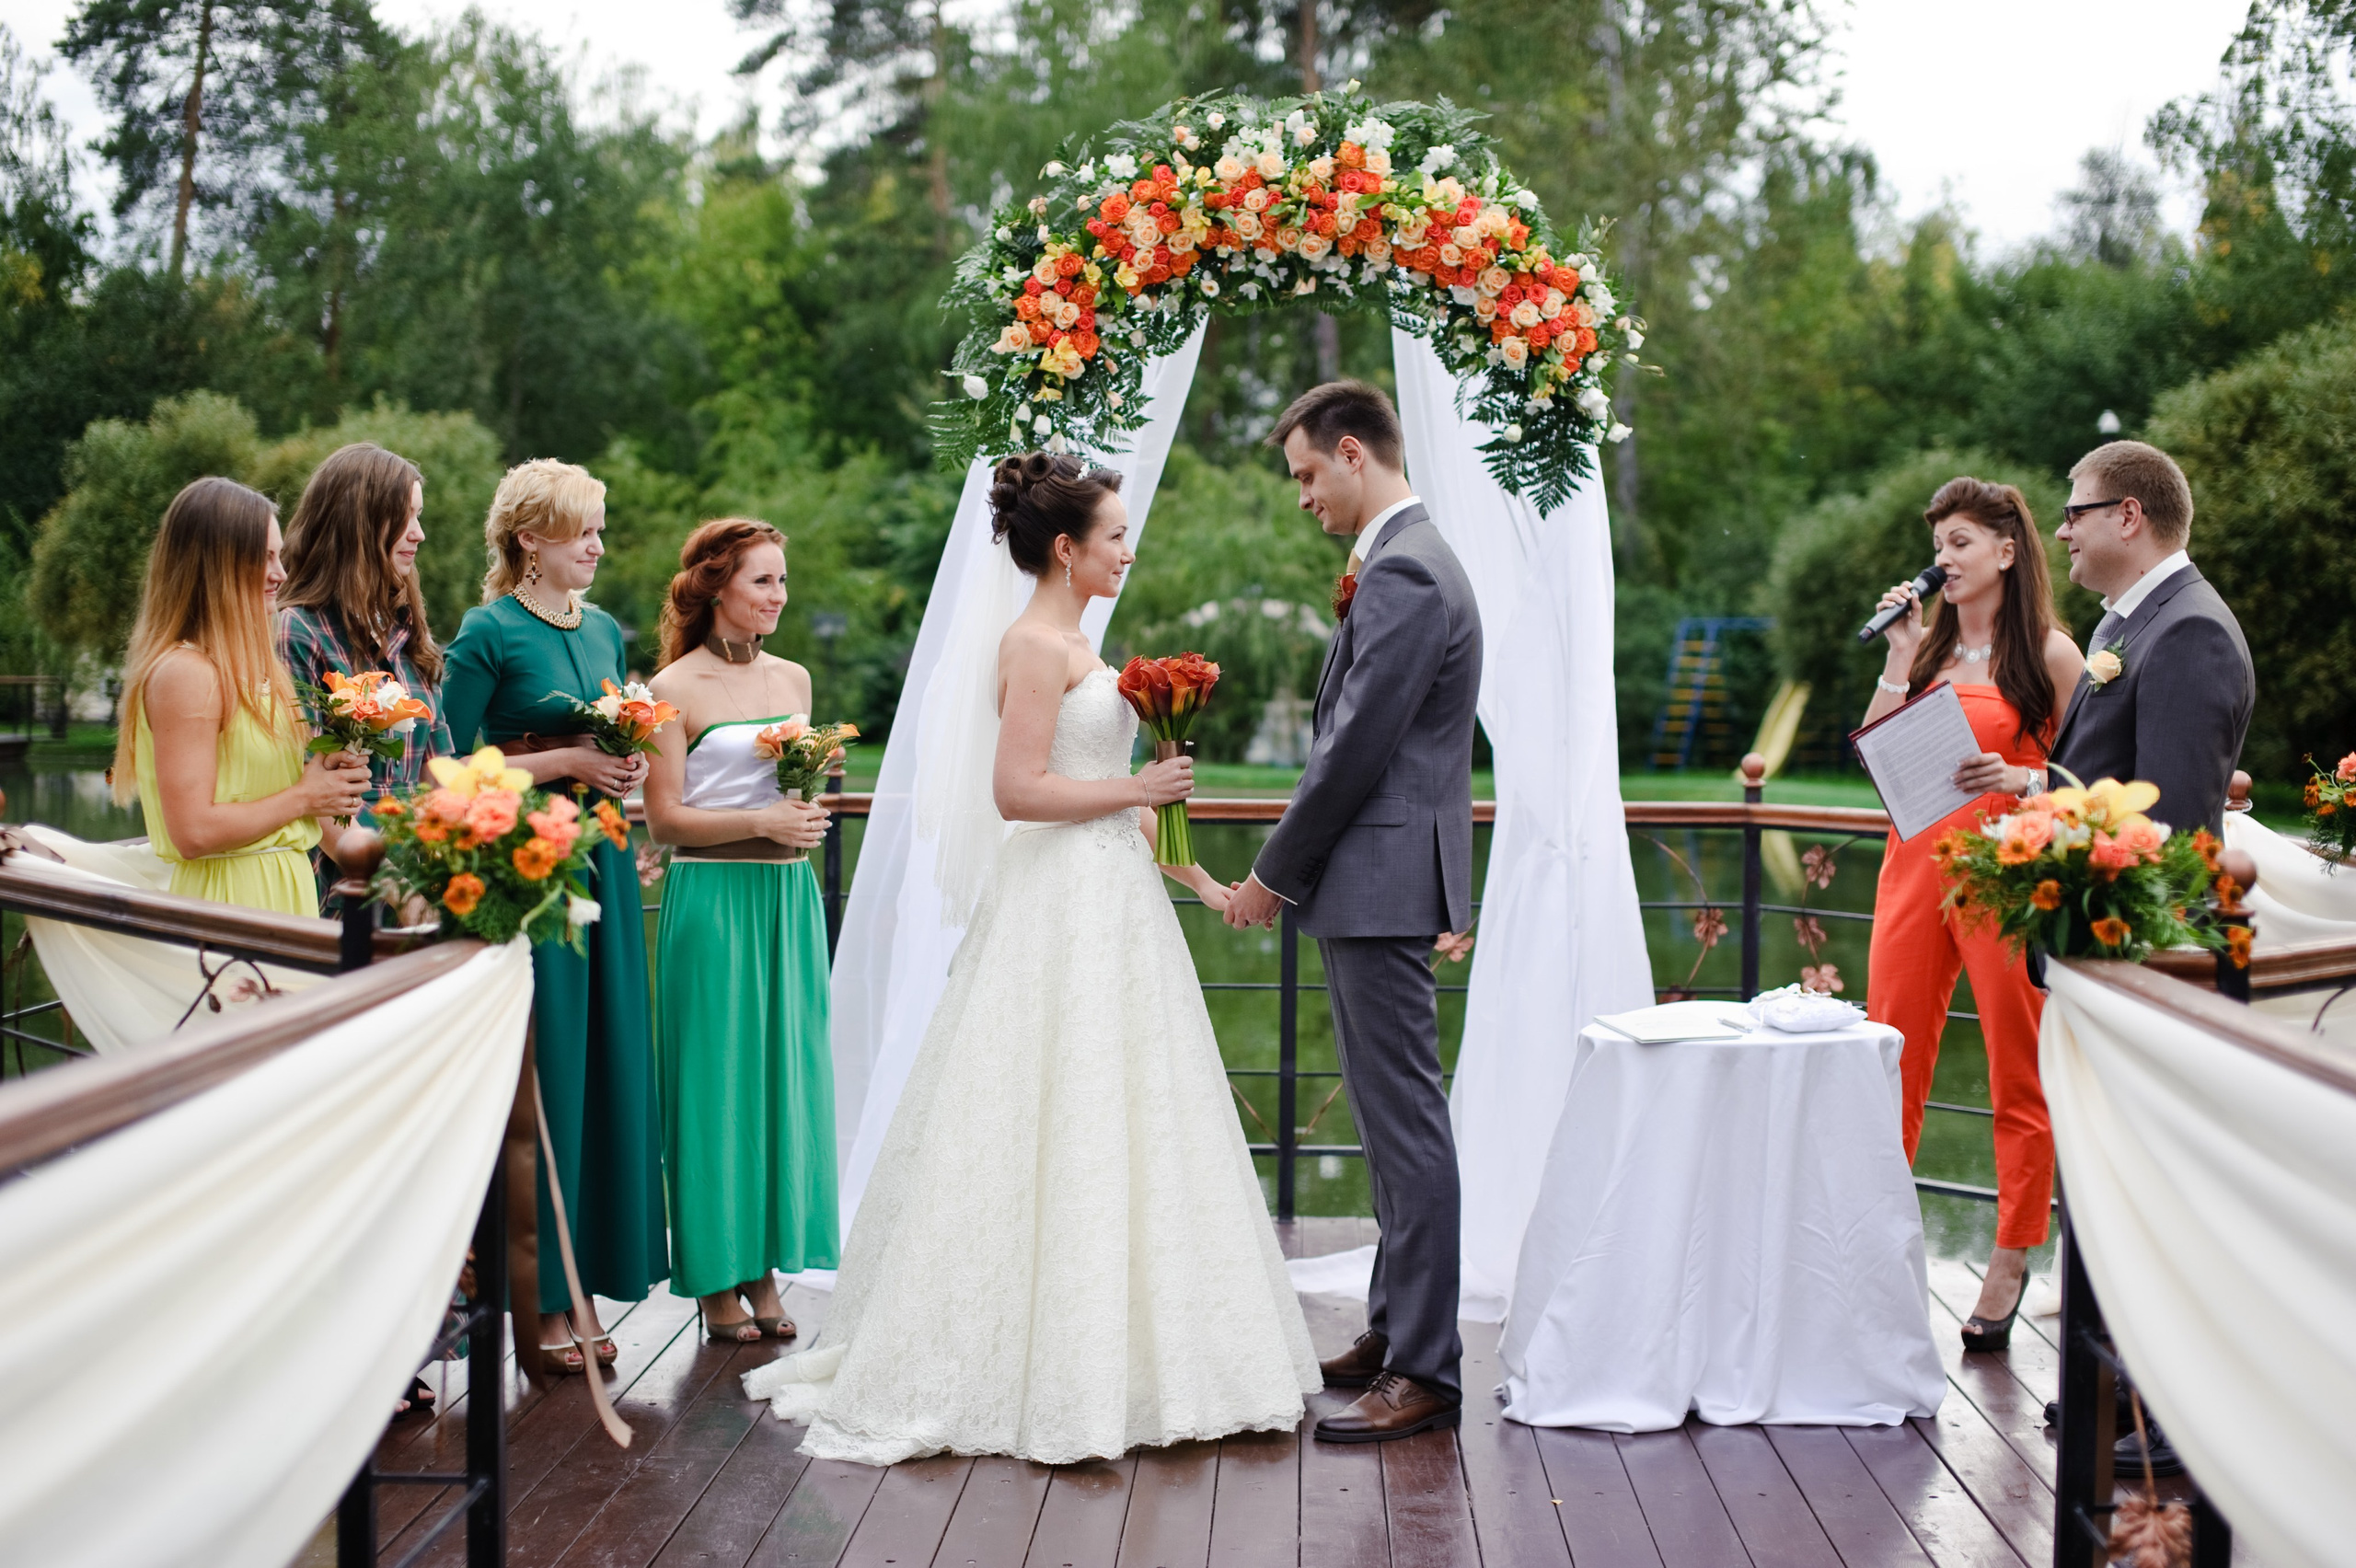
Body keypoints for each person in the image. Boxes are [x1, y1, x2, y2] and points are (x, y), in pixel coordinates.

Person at [741, 453, 1318, 1465]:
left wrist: (1204, 881)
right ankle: (1023, 1354)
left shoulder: (1083, 647)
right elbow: (1020, 792)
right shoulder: (1033, 647)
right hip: (1054, 901)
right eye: (1115, 537)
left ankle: (1143, 1350)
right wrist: (1141, 791)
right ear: (1066, 548)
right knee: (1043, 1110)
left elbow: (1106, 784)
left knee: (1127, 1114)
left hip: (1118, 902)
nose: (1128, 552)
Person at [1222, 381, 1484, 1444]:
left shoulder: (1409, 570)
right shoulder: (1406, 560)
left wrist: (1270, 876)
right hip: (1380, 882)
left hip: (1376, 884)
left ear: (1349, 453)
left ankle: (1426, 1366)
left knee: (1406, 1128)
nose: (1300, 498)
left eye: (1303, 475)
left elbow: (1353, 752)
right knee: (1386, 1128)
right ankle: (1393, 1328)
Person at [442, 458, 666, 1377]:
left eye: (600, 531)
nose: (598, 548)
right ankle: (532, 1299)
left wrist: (626, 768)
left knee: (606, 1069)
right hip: (523, 869)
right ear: (529, 538)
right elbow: (447, 765)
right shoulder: (484, 633)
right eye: (583, 532)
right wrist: (567, 756)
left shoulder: (607, 630)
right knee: (547, 1079)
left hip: (603, 859)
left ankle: (587, 1281)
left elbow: (611, 740)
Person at [1860, 478, 2085, 1354]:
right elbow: (1877, 760)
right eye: (1939, 545)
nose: (1942, 560)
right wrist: (1897, 657)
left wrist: (2024, 779)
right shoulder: (1925, 653)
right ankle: (1876, 1253)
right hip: (1912, 875)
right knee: (1890, 1063)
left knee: (2015, 1070)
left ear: (2005, 550)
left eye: (1958, 542)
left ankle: (2011, 1252)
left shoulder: (2054, 657)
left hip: (2002, 882)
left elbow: (2087, 784)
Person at [643, 519, 837, 1344]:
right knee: (714, 1087)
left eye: (783, 583)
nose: (778, 597)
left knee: (777, 1085)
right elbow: (664, 820)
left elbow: (793, 788)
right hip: (714, 901)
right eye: (763, 581)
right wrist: (760, 818)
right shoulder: (669, 689)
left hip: (787, 901)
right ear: (716, 586)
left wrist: (803, 816)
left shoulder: (794, 681)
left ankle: (763, 1268)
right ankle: (714, 1278)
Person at [113, 477, 370, 917]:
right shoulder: (186, 673)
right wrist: (306, 797)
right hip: (228, 904)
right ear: (217, 565)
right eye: (265, 557)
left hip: (287, 897)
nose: (281, 574)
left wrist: (330, 782)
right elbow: (191, 831)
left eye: (279, 556)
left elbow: (282, 796)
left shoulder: (262, 670)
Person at [276, 442, 457, 905]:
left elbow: (441, 771)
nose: (418, 534)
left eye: (420, 517)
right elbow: (305, 789)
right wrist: (398, 891)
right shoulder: (297, 629)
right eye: (405, 517)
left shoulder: (408, 626)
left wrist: (456, 874)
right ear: (359, 521)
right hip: (343, 884)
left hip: (422, 867)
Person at [2050, 439, 2255, 836]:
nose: (2062, 531)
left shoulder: (2192, 633)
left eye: (2074, 514)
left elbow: (2170, 831)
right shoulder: (2150, 619)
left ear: (2128, 516)